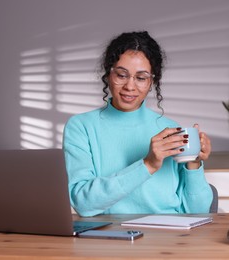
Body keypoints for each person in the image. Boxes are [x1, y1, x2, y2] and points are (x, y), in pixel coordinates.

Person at [63, 31, 213, 217]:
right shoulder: (81, 127)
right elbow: (83, 204)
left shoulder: (171, 131)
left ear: (152, 81)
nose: (130, 87)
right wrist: (148, 164)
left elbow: (197, 212)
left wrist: (194, 163)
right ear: (108, 74)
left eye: (141, 78)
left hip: (169, 237)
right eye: (121, 75)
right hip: (110, 238)